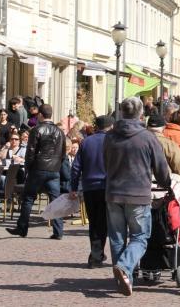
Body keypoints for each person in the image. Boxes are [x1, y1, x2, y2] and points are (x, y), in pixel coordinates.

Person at [103, 97, 170, 296]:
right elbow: (161, 167)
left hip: (113, 193)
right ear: (141, 114)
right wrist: (166, 183)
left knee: (117, 238)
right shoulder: (147, 137)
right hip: (138, 194)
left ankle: (124, 279)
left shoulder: (110, 136)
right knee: (140, 237)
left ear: (122, 112)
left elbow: (105, 163)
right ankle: (124, 267)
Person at [6, 104, 66, 239]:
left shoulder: (37, 130)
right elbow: (63, 153)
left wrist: (28, 168)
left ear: (40, 115)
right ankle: (58, 231)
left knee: (28, 198)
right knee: (55, 200)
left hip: (38, 168)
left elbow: (30, 152)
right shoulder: (59, 132)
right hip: (54, 170)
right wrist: (57, 166)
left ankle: (22, 228)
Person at [69, 115, 113, 268]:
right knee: (104, 223)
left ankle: (97, 253)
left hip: (89, 187)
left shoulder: (86, 142)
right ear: (111, 127)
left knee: (94, 222)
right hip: (107, 187)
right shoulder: (112, 142)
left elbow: (75, 167)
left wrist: (73, 187)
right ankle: (96, 255)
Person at [146, 114, 180, 184]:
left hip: (140, 187)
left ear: (147, 127)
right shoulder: (170, 145)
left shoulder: (137, 143)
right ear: (164, 128)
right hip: (163, 188)